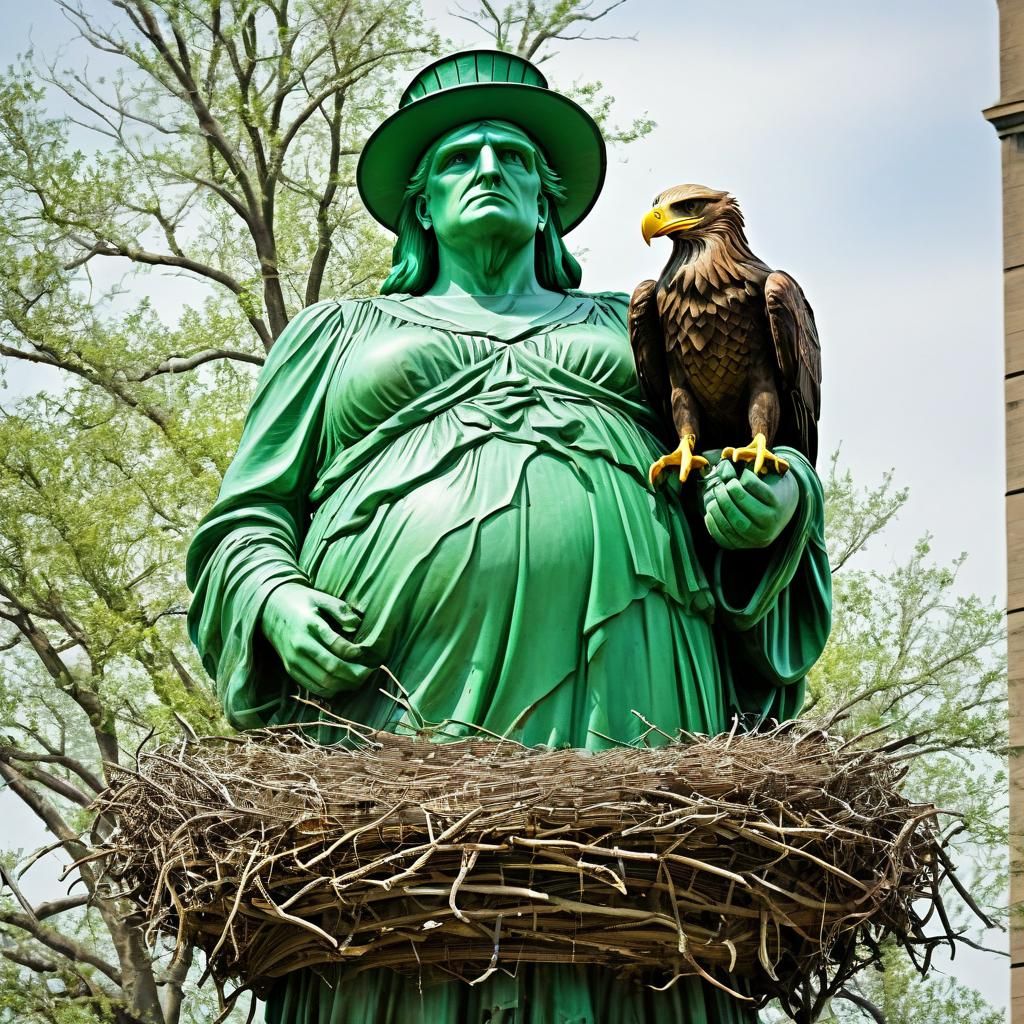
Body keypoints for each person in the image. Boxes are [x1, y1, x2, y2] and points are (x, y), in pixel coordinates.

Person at [186, 50, 831, 1024]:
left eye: (515, 157)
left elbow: (762, 450)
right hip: (395, 710)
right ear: (417, 207)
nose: (488, 168)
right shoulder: (337, 334)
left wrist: (772, 513)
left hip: (636, 703)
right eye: (457, 158)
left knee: (628, 941)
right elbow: (244, 519)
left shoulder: (635, 319)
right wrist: (273, 598)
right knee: (401, 953)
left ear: (547, 202)